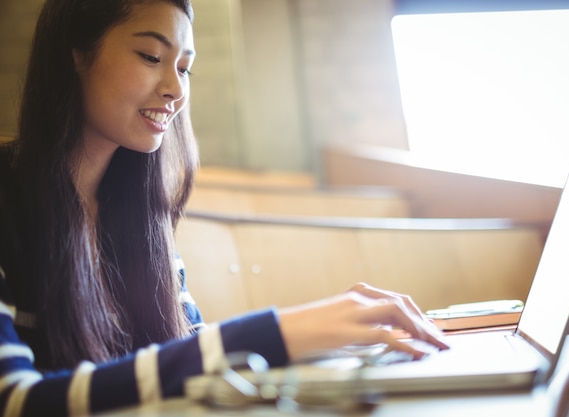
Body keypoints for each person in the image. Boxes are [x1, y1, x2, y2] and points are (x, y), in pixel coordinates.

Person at [0, 0, 448, 415]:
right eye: (152, 58)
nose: (175, 88)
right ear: (76, 54)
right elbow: (15, 399)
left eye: (185, 68)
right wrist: (275, 332)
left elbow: (191, 351)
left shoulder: (137, 212)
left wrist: (333, 349)